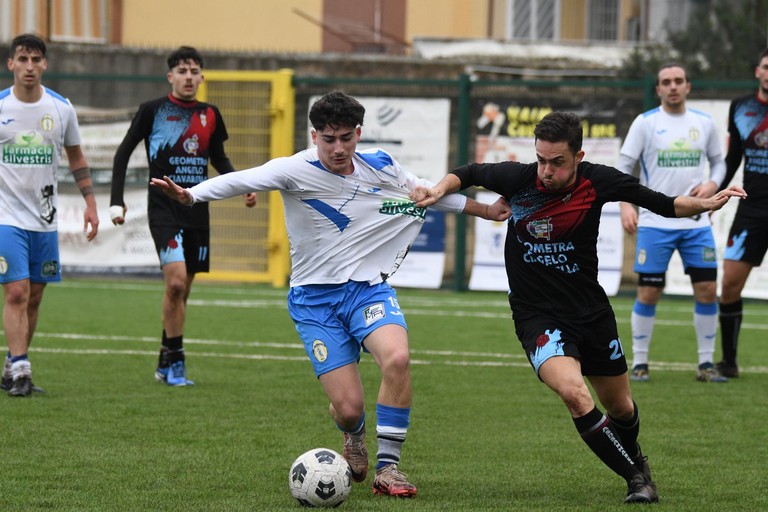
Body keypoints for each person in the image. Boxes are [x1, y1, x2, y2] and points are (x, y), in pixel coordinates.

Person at [151, 91, 511, 497]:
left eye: (345, 138)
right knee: (350, 408)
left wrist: (486, 211)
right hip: (314, 302)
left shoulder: (380, 164)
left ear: (358, 133)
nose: (338, 148)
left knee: (398, 357)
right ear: (314, 135)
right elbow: (243, 178)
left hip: (367, 290)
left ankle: (389, 469)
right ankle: (353, 434)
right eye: (328, 139)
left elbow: (425, 193)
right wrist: (192, 194)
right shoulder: (294, 169)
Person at [411, 112, 746, 504]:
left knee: (620, 407)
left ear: (578, 156)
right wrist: (438, 189)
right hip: (536, 315)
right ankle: (637, 479)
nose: (546, 171)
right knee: (575, 394)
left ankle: (635, 456)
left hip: (590, 312)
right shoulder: (518, 178)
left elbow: (664, 203)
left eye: (557, 162)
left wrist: (706, 202)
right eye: (541, 160)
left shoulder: (598, 181)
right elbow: (466, 171)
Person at [110, 46, 256, 387]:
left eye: (194, 71)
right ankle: (176, 362)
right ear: (170, 77)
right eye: (182, 71)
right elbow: (122, 154)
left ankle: (164, 357)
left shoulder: (211, 114)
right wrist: (117, 201)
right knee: (174, 282)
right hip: (163, 209)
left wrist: (242, 185)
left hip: (197, 208)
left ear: (202, 77)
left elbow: (217, 156)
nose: (188, 77)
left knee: (182, 291)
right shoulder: (152, 111)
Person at [0, 33, 99, 397]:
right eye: (22, 59)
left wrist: (90, 204)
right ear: (11, 64)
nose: (29, 67)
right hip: (5, 218)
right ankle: (22, 368)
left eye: (35, 60)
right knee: (15, 293)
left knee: (35, 297)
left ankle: (12, 364)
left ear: (45, 64)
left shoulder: (61, 109)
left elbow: (76, 158)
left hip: (44, 219)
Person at [617, 63, 728, 383]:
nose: (673, 86)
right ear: (658, 90)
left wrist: (712, 186)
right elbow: (625, 167)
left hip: (696, 224)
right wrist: (627, 205)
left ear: (688, 86)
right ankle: (639, 363)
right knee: (649, 292)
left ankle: (706, 364)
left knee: (707, 290)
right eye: (666, 82)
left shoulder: (704, 123)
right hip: (655, 223)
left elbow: (719, 163)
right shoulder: (645, 123)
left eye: (679, 81)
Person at [715, 48, 768, 379]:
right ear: (757, 71)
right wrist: (715, 191)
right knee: (730, 285)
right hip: (751, 208)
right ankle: (729, 362)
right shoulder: (740, 107)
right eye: (766, 66)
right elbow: (732, 158)